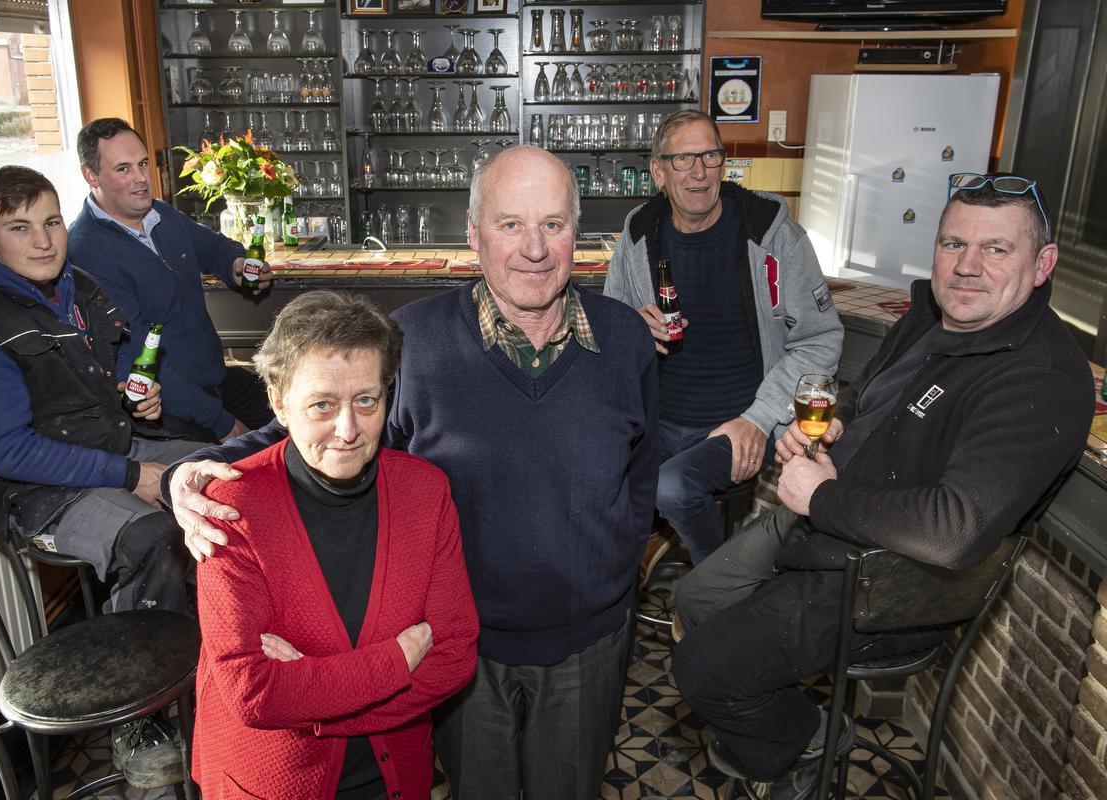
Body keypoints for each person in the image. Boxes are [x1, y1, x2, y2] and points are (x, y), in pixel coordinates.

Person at [166, 145, 660, 799]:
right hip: (455, 646)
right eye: (511, 224)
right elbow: (321, 427)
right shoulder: (416, 341)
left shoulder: (626, 340)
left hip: (588, 641)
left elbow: (644, 466)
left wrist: (615, 562)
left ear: (579, 232)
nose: (535, 248)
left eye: (553, 224)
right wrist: (193, 472)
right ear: (476, 233)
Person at [670, 172, 1094, 799]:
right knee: (697, 597)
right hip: (831, 520)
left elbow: (953, 531)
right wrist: (837, 424)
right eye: (953, 244)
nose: (967, 266)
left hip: (879, 575)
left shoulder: (1040, 376)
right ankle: (769, 706)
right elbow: (874, 398)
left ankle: (811, 734)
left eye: (996, 249)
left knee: (700, 669)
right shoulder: (931, 316)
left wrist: (818, 495)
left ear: (1042, 264)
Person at [0, 165, 212, 790]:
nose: (44, 240)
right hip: (39, 495)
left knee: (228, 471)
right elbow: (8, 451)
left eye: (51, 222)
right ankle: (146, 735)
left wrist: (140, 400)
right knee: (151, 535)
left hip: (108, 450)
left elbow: (102, 386)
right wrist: (135, 474)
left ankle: (221, 664)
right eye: (19, 227)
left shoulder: (72, 287)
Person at [192, 291, 479, 799]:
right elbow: (253, 692)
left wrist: (315, 705)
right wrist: (395, 660)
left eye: (366, 401)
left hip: (393, 773)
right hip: (274, 779)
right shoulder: (230, 507)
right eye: (322, 404)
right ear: (278, 401)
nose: (348, 431)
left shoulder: (424, 491)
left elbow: (454, 656)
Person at [605, 110, 843, 568]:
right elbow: (611, 326)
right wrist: (633, 325)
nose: (699, 172)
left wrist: (758, 419)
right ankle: (645, 558)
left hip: (738, 421)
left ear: (723, 162)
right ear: (657, 170)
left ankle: (722, 588)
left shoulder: (772, 234)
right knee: (587, 471)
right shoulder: (638, 234)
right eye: (683, 159)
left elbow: (820, 341)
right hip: (655, 420)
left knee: (670, 487)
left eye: (710, 156)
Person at [67, 117, 274, 444]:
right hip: (170, 409)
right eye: (124, 169)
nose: (141, 178)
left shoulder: (160, 215)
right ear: (90, 175)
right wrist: (221, 423)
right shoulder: (87, 251)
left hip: (217, 380)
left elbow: (214, 246)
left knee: (296, 423)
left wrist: (236, 264)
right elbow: (139, 356)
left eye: (143, 164)